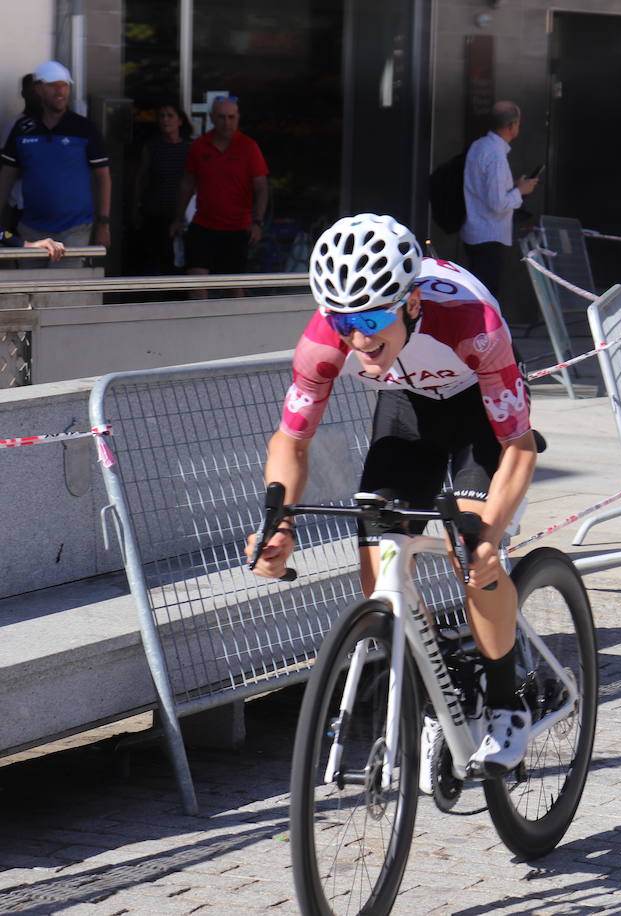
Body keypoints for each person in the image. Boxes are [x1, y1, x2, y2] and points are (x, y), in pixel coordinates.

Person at [245, 213, 538, 779]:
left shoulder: (471, 322)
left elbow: (520, 449)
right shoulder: (328, 337)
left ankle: (508, 703)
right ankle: (441, 689)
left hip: (480, 409)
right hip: (408, 412)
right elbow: (291, 440)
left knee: (471, 553)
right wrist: (277, 520)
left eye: (373, 317)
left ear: (409, 303)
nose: (358, 338)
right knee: (376, 565)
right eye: (343, 320)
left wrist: (491, 535)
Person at [0, 61, 111, 255]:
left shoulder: (84, 128)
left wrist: (103, 223)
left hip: (75, 229)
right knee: (32, 285)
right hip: (31, 229)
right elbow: (7, 175)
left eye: (64, 85)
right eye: (53, 85)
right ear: (38, 89)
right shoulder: (22, 128)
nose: (60, 91)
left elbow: (103, 176)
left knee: (69, 285)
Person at [171, 96, 269, 297]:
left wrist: (257, 222)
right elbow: (187, 183)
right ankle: (200, 325)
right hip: (204, 224)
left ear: (238, 118)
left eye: (231, 117)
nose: (227, 123)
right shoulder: (199, 146)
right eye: (222, 117)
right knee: (196, 283)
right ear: (212, 118)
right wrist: (178, 218)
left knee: (233, 286)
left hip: (237, 227)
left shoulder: (248, 147)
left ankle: (238, 327)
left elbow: (261, 187)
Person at [460, 101, 540, 299]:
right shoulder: (496, 155)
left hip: (475, 231)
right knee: (486, 298)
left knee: (478, 295)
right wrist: (520, 191)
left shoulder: (479, 146)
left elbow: (482, 188)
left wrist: (513, 186)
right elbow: (497, 204)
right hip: (490, 236)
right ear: (512, 125)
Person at [130, 101, 190, 275]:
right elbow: (141, 179)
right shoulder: (152, 147)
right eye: (162, 116)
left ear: (180, 120)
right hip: (155, 212)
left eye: (170, 116)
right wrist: (136, 207)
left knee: (180, 262)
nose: (165, 120)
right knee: (156, 262)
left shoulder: (189, 148)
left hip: (183, 213)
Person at [1, 73, 42, 233]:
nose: (36, 95)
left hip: (51, 207)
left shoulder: (57, 125)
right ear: (23, 93)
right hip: (21, 204)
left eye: (38, 90)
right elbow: (7, 166)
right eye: (31, 91)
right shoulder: (16, 124)